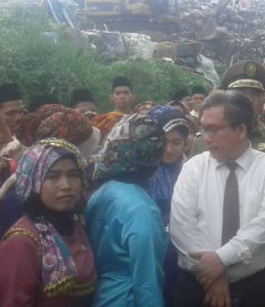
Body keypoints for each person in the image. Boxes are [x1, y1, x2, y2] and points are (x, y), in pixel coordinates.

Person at [170, 91, 265, 307]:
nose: (206, 138)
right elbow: (181, 226)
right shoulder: (193, 168)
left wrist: (222, 260)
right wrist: (214, 276)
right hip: (197, 283)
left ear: (241, 130)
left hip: (251, 286)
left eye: (214, 129)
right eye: (204, 128)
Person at [0, 139, 96, 307]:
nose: (66, 186)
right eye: (52, 176)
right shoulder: (23, 241)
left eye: (73, 175)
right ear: (34, 182)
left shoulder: (75, 224)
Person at [85, 114, 168, 307]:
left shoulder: (101, 193)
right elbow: (147, 284)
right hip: (127, 299)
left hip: (100, 296)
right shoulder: (142, 209)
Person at [91, 76, 135, 141]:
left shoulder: (140, 120)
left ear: (133, 97)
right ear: (111, 97)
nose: (122, 96)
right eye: (118, 93)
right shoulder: (101, 121)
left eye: (126, 93)